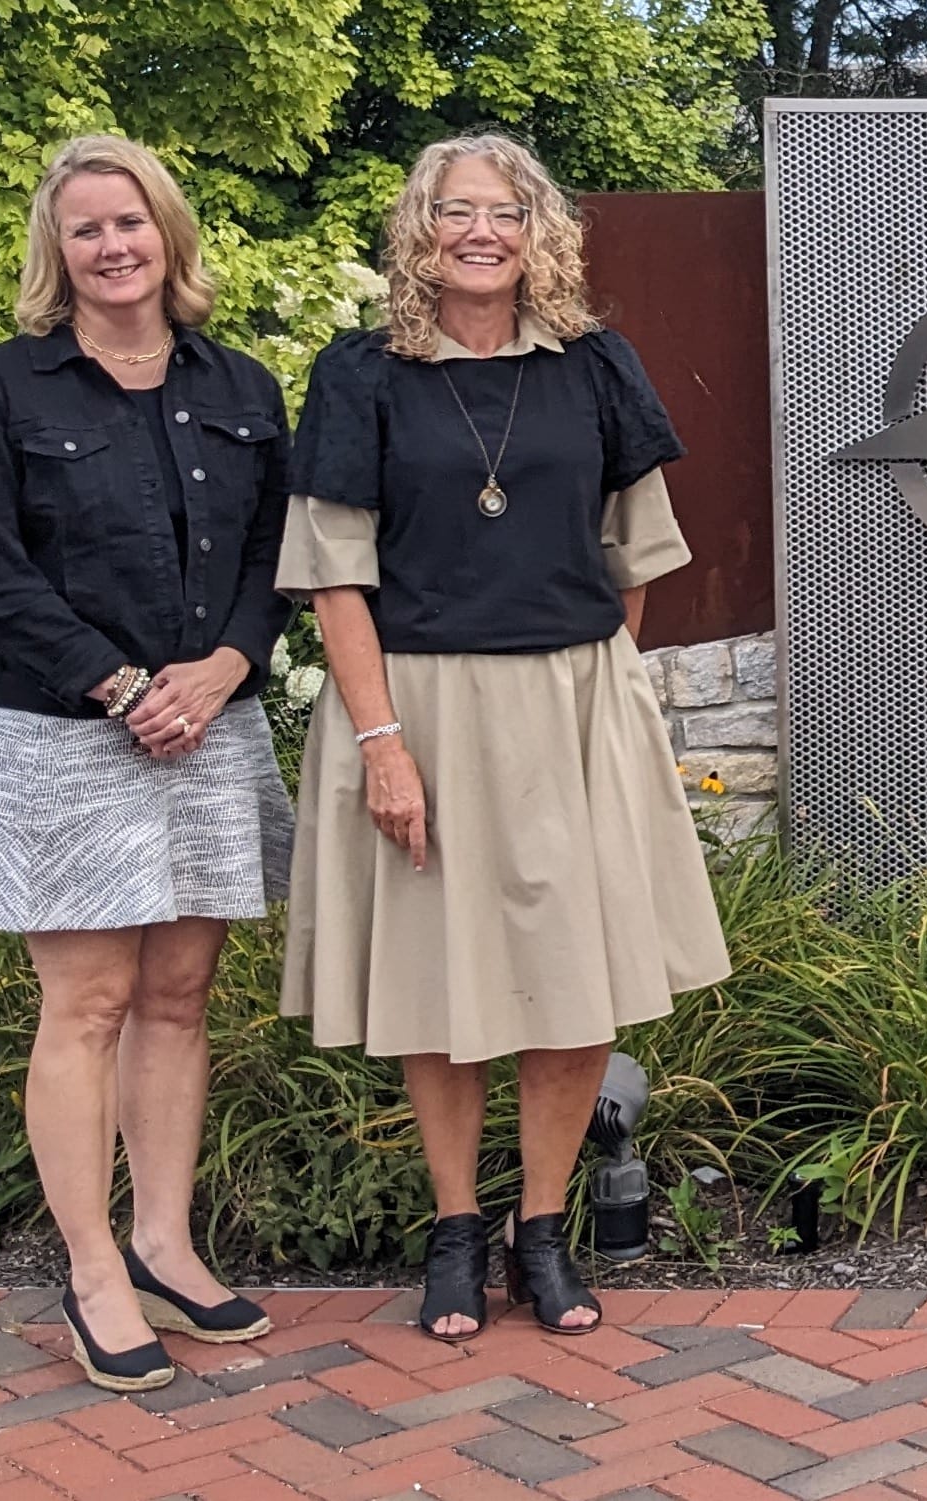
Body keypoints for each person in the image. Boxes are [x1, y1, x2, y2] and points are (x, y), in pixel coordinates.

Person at [277, 132, 729, 1341]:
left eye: (506, 213)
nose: (480, 233)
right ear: (418, 232)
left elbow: (633, 556)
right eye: (455, 212)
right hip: (414, 701)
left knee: (570, 980)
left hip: (571, 702)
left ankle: (541, 1233)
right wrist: (380, 739)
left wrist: (596, 685)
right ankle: (452, 1233)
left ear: (542, 234)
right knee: (438, 974)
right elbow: (333, 576)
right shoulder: (361, 373)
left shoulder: (594, 366)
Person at [0, 135, 291, 1392]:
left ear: (169, 236)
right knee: (84, 1004)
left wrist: (225, 669)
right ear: (58, 250)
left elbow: (270, 561)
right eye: (85, 228)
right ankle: (91, 1269)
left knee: (180, 998)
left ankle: (162, 1245)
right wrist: (126, 684)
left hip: (211, 726)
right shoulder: (2, 391)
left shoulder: (240, 383)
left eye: (130, 223)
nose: (113, 246)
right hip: (66, 738)